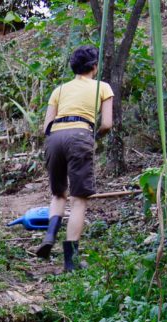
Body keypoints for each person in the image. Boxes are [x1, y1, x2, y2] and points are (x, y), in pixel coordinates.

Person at [38, 45, 114, 271]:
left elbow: (46, 126)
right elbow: (107, 124)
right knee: (79, 198)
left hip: (55, 138)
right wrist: (94, 137)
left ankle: (50, 235)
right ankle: (70, 261)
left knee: (58, 194)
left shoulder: (59, 90)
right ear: (94, 66)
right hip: (80, 135)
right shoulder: (103, 87)